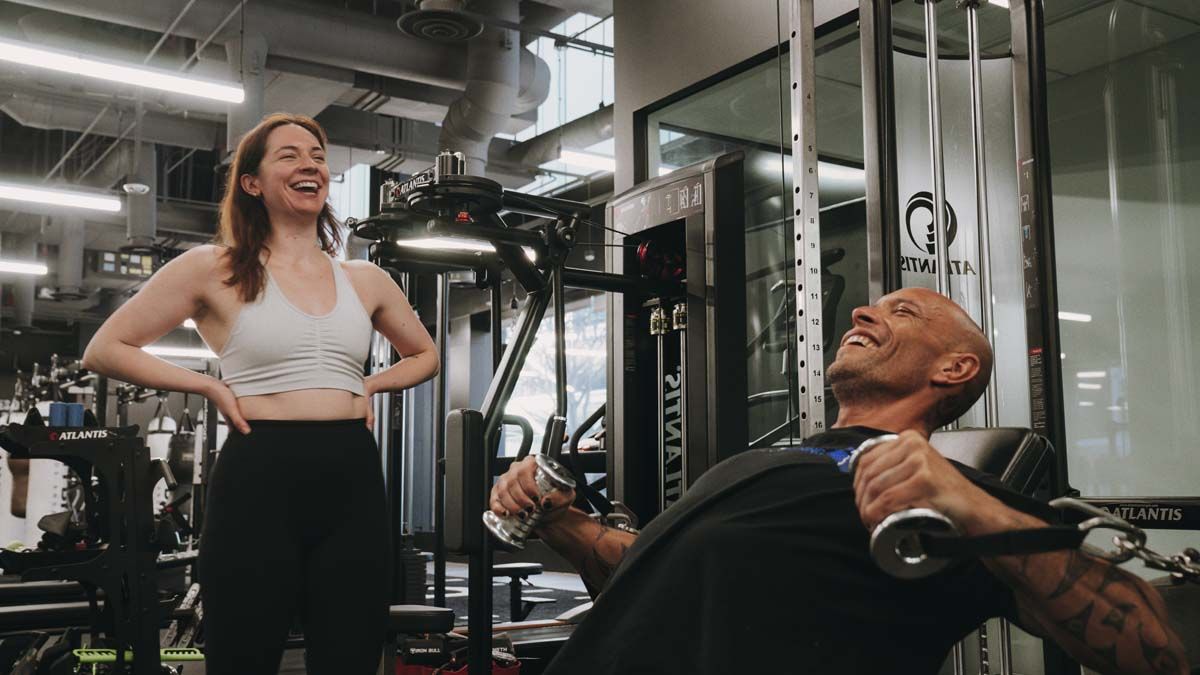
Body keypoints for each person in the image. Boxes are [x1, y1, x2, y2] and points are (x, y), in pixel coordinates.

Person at [491, 287, 1188, 675]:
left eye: (901, 311)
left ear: (954, 369)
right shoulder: (764, 463)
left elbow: (1156, 651)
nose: (862, 312)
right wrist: (561, 521)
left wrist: (972, 505)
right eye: (872, 307)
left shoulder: (937, 495)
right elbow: (645, 573)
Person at [82, 113, 438, 675]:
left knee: (351, 651)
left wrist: (363, 385)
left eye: (318, 156)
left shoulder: (365, 279)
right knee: (243, 652)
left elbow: (426, 356)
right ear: (252, 183)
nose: (310, 165)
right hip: (259, 472)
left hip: (352, 474)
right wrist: (207, 385)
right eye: (290, 155)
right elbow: (106, 347)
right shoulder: (212, 268)